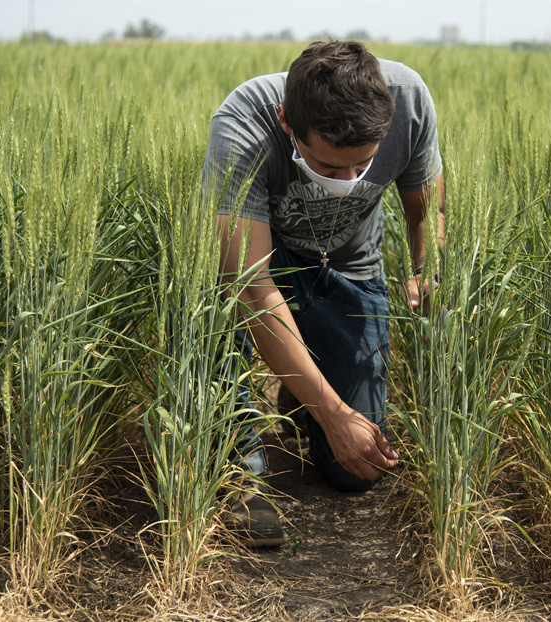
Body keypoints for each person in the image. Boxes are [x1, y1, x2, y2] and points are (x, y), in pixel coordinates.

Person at [201, 40, 443, 547]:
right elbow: (250, 289)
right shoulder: (246, 122)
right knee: (213, 297)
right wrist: (333, 416)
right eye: (330, 169)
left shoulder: (410, 101)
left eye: (363, 167)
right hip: (267, 263)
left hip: (349, 267)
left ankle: (301, 388)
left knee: (356, 471)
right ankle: (242, 470)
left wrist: (426, 268)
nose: (351, 182)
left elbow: (424, 208)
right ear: (289, 122)